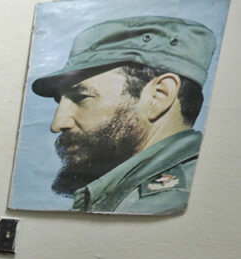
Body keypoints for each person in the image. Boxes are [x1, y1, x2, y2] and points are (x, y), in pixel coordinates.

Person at [31, 16, 217, 214]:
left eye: (81, 98)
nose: (57, 124)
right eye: (59, 102)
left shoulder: (165, 204)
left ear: (159, 95)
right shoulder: (125, 193)